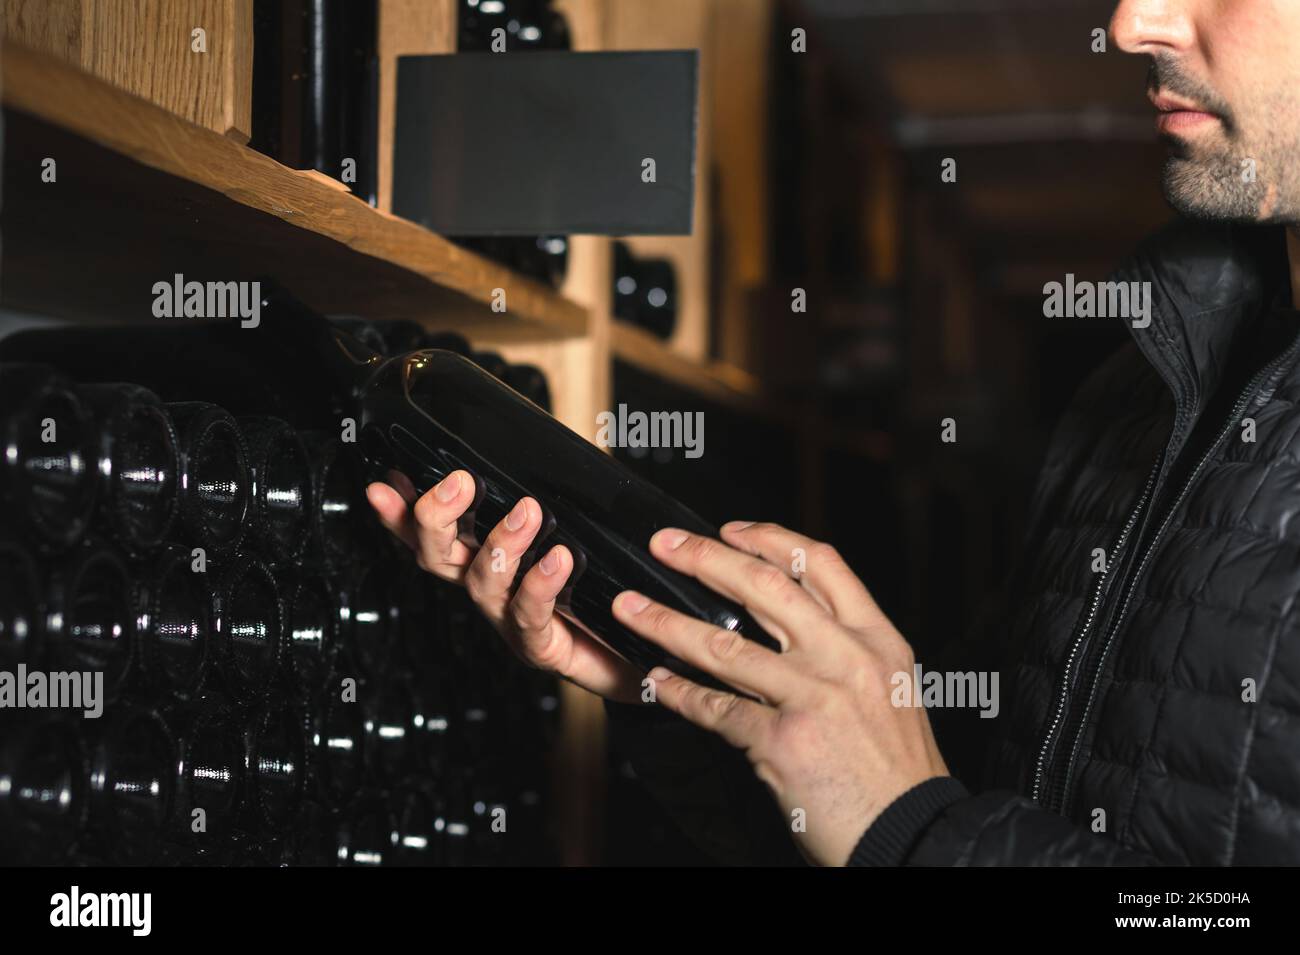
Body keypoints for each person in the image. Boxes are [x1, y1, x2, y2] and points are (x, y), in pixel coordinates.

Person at [367, 0, 1300, 865]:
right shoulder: (1137, 387)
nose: (1131, 21)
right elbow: (943, 802)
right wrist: (679, 678)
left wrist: (915, 829)